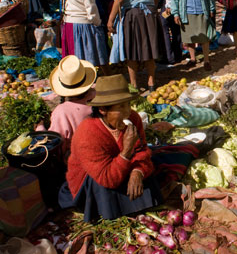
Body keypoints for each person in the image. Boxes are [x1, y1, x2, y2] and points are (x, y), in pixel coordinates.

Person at [59, 74, 162, 222]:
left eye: (128, 104)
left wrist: (137, 172)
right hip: (95, 179)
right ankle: (116, 211)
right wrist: (126, 151)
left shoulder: (133, 118)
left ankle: (135, 202)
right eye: (121, 107)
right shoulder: (87, 132)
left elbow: (142, 151)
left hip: (119, 168)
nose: (127, 111)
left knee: (146, 170)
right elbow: (107, 179)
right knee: (103, 186)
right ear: (103, 110)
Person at [107, 0, 161, 91]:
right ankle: (151, 82)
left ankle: (134, 84)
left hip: (133, 15)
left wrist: (110, 20)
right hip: (149, 15)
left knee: (131, 51)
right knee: (148, 49)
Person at [35, 55, 96, 160]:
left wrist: (39, 128)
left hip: (80, 161)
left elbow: (54, 144)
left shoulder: (62, 111)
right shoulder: (99, 96)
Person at [171, 0, 216, 71]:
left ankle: (206, 60)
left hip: (201, 11)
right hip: (187, 13)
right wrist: (175, 13)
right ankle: (192, 59)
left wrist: (211, 8)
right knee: (190, 38)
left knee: (204, 37)